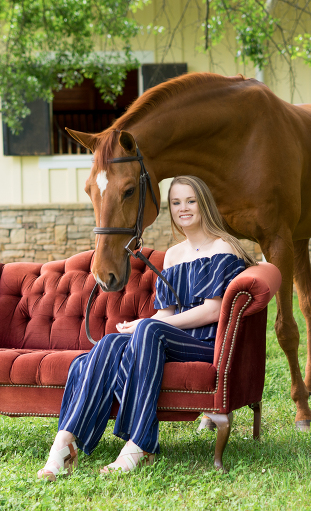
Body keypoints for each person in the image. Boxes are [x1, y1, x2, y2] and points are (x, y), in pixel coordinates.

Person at [37, 175, 257, 479]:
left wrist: (149, 327)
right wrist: (142, 325)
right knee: (113, 341)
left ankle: (139, 443)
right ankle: (64, 442)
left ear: (204, 204)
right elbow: (166, 312)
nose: (184, 208)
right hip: (172, 340)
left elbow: (214, 309)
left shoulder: (223, 248)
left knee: (149, 330)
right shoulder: (173, 255)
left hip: (205, 344)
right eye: (176, 202)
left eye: (191, 201)